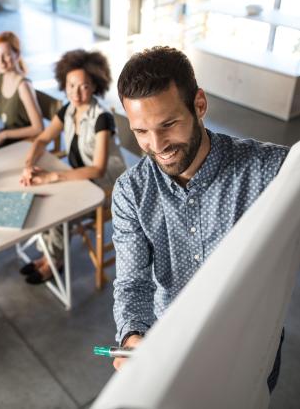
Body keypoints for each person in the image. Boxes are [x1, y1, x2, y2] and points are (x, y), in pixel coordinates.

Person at [111, 46, 288, 393]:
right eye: (141, 132)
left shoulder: (270, 170)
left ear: (200, 105)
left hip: (250, 346)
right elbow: (132, 285)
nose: (157, 144)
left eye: (168, 124)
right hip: (172, 347)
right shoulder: (131, 192)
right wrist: (132, 336)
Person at [19, 49, 126, 285]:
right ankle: (49, 255)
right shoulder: (67, 109)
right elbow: (42, 139)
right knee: (42, 195)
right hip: (82, 179)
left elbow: (98, 169)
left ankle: (53, 261)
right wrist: (29, 164)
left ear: (95, 86)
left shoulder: (102, 118)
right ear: (64, 85)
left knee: (56, 206)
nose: (76, 93)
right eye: (71, 85)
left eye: (84, 86)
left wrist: (52, 176)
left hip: (106, 188)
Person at [0, 31, 43, 150]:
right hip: (6, 140)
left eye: (6, 54)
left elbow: (38, 128)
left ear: (17, 55)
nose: (0, 60)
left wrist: (5, 134)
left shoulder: (23, 86)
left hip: (24, 144)